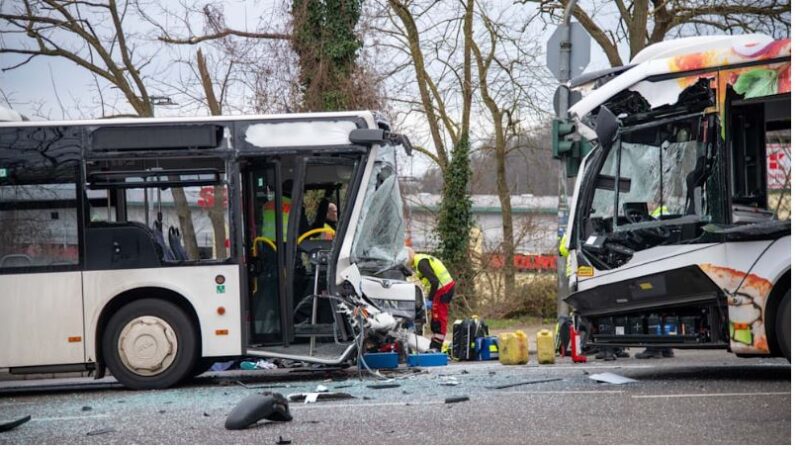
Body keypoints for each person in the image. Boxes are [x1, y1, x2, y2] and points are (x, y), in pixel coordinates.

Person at [407, 248, 455, 351]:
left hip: (443, 289)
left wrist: (430, 300)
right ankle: (434, 345)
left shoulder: (420, 263)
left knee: (439, 318)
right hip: (443, 289)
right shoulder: (419, 261)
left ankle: (436, 347)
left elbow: (434, 281)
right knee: (435, 319)